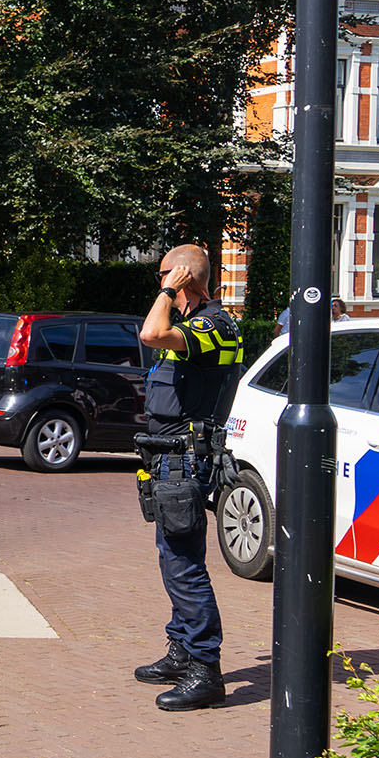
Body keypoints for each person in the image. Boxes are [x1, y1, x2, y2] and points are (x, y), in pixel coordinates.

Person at [133, 245, 244, 711]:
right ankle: (182, 649)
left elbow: (150, 333)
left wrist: (167, 289)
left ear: (183, 278)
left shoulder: (214, 327)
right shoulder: (192, 327)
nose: (160, 286)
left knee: (185, 566)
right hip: (167, 461)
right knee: (171, 558)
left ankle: (205, 669)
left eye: (165, 276)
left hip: (186, 463)